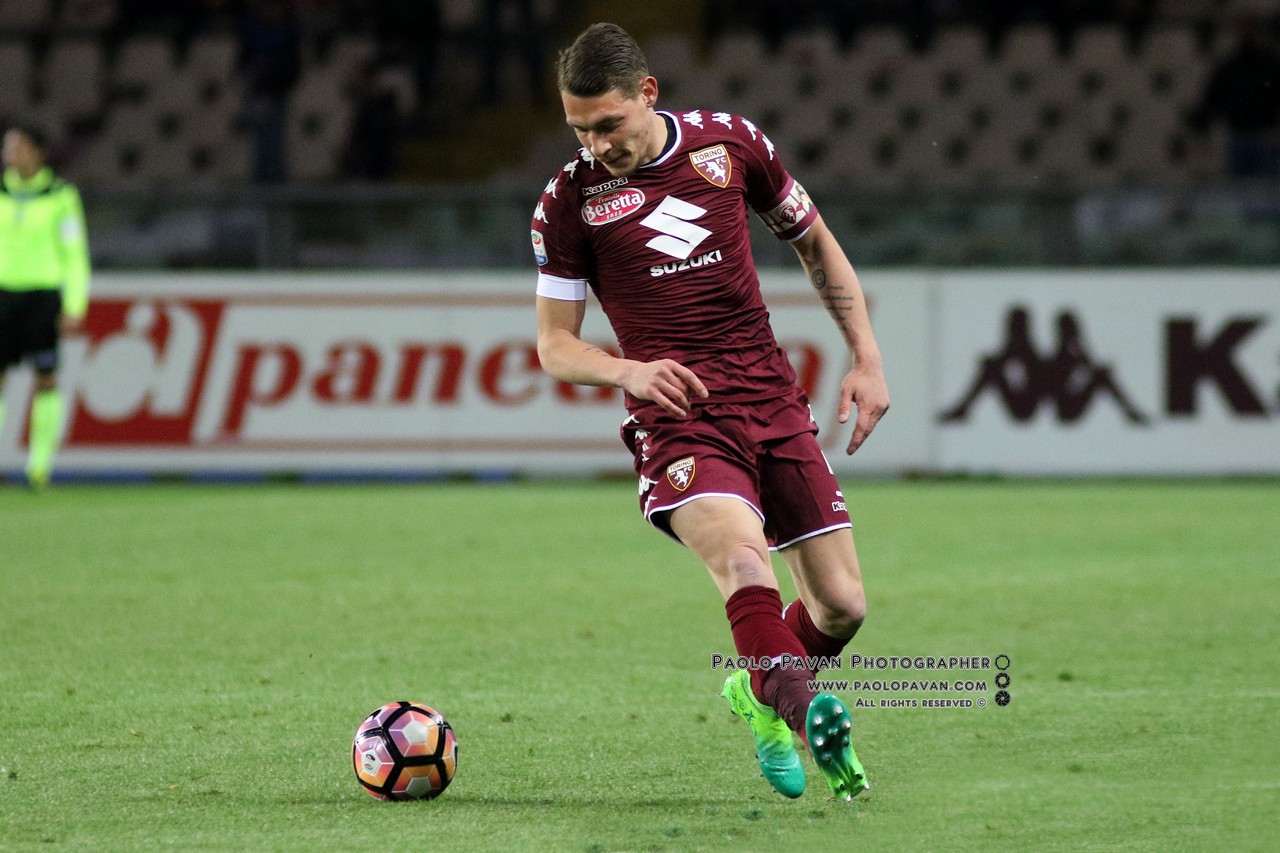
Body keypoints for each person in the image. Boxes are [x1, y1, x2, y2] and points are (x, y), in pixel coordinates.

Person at [531, 23, 890, 801]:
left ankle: (757, 691)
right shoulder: (569, 202)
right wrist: (629, 369)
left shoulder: (731, 144)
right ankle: (807, 714)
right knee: (744, 562)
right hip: (679, 416)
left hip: (769, 396)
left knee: (841, 605)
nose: (595, 144)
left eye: (608, 124)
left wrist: (866, 356)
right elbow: (554, 345)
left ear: (647, 94)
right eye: (579, 129)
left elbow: (816, 245)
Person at [0, 124, 91, 488]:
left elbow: (74, 254)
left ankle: (40, 465)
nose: (10, 155)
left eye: (18, 147)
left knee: (46, 377)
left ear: (38, 152)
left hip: (42, 296)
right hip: (2, 294)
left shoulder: (60, 196)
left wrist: (74, 305)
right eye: (7, 148)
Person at [1189, 13, 1280, 177]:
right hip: (1238, 135)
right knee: (1239, 186)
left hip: (1264, 134)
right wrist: (1203, 127)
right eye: (1243, 30)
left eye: (1250, 29)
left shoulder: (1269, 65)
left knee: (1266, 186)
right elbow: (1213, 98)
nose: (1247, 34)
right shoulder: (1229, 67)